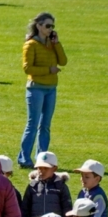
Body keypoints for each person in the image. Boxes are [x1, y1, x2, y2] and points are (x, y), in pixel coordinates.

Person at [17, 12, 67, 167]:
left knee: (45, 125)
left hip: (51, 88)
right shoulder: (30, 45)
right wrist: (48, 70)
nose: (50, 29)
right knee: (32, 124)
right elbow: (27, 69)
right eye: (47, 26)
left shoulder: (52, 44)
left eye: (52, 26)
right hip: (36, 88)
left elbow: (63, 61)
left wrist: (57, 43)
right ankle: (24, 158)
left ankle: (42, 158)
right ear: (38, 26)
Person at [22, 151, 73, 217]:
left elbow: (67, 210)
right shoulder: (32, 186)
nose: (42, 171)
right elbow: (25, 209)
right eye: (39, 168)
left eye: (46, 168)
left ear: (55, 168)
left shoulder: (60, 187)